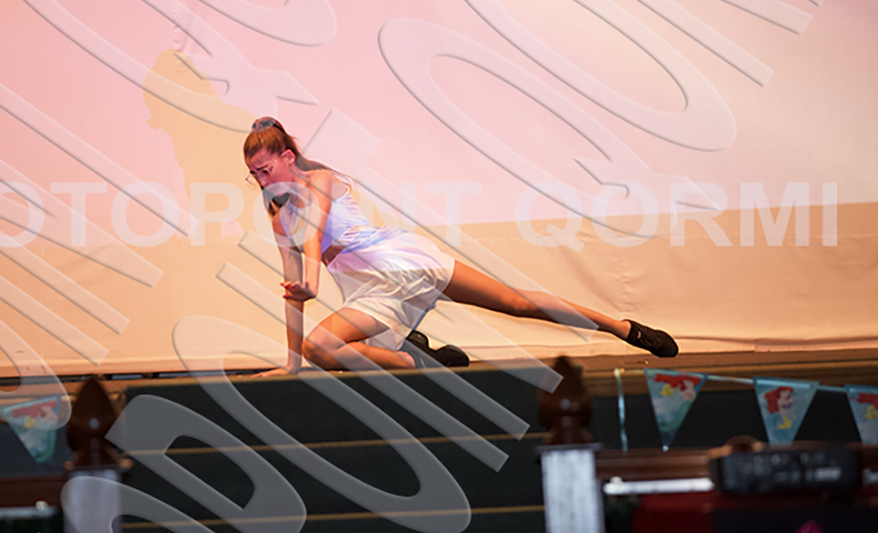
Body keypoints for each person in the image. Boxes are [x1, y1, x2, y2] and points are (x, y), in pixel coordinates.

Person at [244, 117, 678, 376]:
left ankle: (621, 327)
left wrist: (312, 280)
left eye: (266, 170)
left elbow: (314, 232)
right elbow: (292, 288)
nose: (262, 182)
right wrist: (292, 363)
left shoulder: (319, 181)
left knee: (515, 302)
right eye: (254, 175)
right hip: (367, 290)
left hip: (400, 263)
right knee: (318, 348)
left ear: (287, 157)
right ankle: (415, 361)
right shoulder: (279, 215)